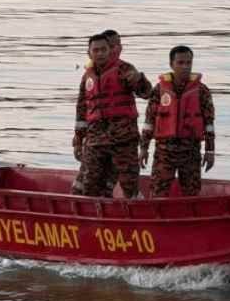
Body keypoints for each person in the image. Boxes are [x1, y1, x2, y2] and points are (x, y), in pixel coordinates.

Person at [71, 29, 151, 196]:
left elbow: (147, 93)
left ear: (110, 51)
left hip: (123, 139)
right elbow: (81, 111)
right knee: (90, 185)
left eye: (103, 50)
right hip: (95, 140)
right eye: (96, 50)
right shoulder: (87, 77)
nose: (100, 54)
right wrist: (79, 139)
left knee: (130, 185)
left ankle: (134, 216)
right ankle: (92, 219)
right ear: (89, 53)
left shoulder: (124, 69)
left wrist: (139, 79)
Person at [141, 45, 216, 198]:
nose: (185, 67)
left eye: (188, 63)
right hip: (164, 151)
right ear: (171, 64)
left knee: (192, 194)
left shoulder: (202, 91)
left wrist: (210, 150)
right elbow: (149, 121)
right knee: (158, 193)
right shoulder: (159, 90)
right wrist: (144, 148)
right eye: (180, 63)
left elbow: (209, 123)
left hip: (191, 151)